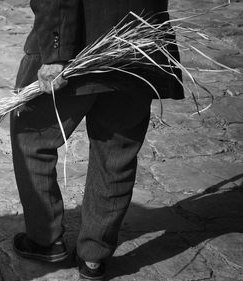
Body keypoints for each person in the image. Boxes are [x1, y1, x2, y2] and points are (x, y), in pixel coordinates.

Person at [10, 0, 184, 280]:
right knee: (116, 151)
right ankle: (94, 257)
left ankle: (45, 241)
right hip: (138, 44)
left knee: (30, 137)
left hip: (77, 44)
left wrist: (54, 54)